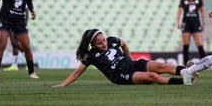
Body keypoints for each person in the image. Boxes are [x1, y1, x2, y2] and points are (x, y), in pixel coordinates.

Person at [53, 29, 195, 87]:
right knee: (152, 76)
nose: (104, 44)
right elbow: (77, 72)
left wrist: (129, 58)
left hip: (132, 64)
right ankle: (183, 82)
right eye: (100, 43)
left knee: (161, 66)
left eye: (103, 40)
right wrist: (63, 84)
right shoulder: (91, 56)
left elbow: (124, 44)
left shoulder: (111, 40)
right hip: (121, 75)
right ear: (93, 45)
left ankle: (187, 72)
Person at [177, 0, 206, 65]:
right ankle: (185, 64)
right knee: (186, 45)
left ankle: (205, 63)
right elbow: (179, 11)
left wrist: (203, 23)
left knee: (199, 44)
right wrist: (178, 22)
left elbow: (202, 11)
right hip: (186, 23)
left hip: (196, 23)